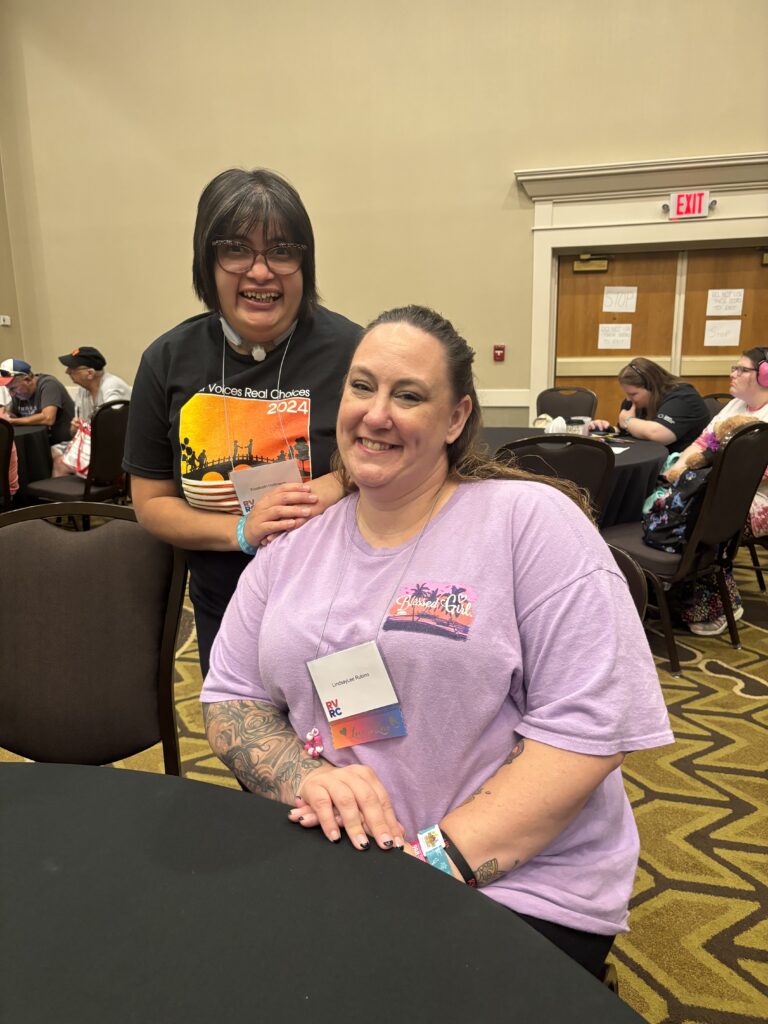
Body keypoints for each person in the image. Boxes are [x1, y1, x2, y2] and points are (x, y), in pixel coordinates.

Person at [201, 305, 673, 978]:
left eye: (409, 395)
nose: (376, 414)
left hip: (516, 886)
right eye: (362, 387)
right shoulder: (292, 545)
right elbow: (230, 697)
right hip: (336, 856)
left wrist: (425, 867)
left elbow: (587, 731)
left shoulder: (530, 523)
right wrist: (305, 778)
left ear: (456, 418)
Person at [123, 168, 361, 672]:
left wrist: (336, 483)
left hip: (341, 609)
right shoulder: (167, 360)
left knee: (350, 726)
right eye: (235, 250)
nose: (260, 272)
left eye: (282, 251)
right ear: (206, 263)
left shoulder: (356, 353)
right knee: (241, 722)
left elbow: (406, 459)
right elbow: (151, 503)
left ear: (304, 263)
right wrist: (240, 531)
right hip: (225, 609)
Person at [664, 347, 768, 635]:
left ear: (764, 375)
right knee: (671, 504)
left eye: (741, 369)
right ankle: (675, 593)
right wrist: (677, 472)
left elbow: (756, 472)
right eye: (734, 368)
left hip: (757, 496)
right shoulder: (734, 406)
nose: (732, 374)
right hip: (717, 486)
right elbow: (701, 444)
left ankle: (720, 605)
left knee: (702, 515)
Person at [589, 357, 710, 452]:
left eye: (633, 394)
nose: (628, 399)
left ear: (652, 387)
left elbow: (658, 434)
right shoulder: (635, 402)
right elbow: (625, 431)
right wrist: (606, 430)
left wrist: (628, 421)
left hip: (681, 465)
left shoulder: (683, 397)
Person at [51, 346, 132, 477]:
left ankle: (89, 487)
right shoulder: (83, 390)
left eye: (72, 369)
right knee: (54, 451)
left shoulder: (112, 388)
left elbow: (116, 432)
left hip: (117, 449)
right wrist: (75, 429)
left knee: (61, 463)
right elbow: (77, 431)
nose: (67, 372)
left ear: (90, 373)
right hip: (93, 443)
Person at [0, 358, 75, 445]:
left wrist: (12, 421)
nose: (11, 393)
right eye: (8, 389)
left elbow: (48, 418)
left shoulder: (49, 384)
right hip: (39, 443)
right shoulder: (18, 393)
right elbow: (10, 414)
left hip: (64, 444)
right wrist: (6, 414)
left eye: (13, 388)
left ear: (27, 380)